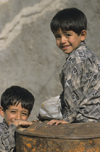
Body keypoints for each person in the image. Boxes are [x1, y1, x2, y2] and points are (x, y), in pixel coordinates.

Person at [37, 8, 100, 125]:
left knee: (44, 111)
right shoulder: (89, 54)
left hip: (85, 117)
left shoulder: (75, 59)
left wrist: (67, 119)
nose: (63, 40)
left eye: (67, 35)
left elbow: (73, 93)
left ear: (82, 35)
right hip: (96, 113)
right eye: (58, 36)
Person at [0, 86, 35, 152]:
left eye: (24, 113)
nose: (18, 118)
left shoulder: (26, 132)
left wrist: (35, 126)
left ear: (28, 116)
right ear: (2, 111)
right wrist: (14, 125)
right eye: (13, 112)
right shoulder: (1, 131)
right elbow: (5, 149)